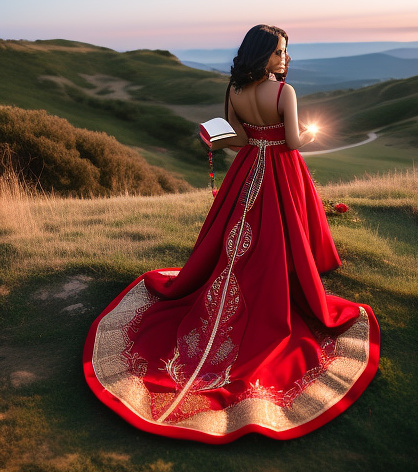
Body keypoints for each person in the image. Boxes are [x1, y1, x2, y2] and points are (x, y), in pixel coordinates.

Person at [83, 24, 380, 444]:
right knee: (283, 230)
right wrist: (310, 132)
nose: (285, 59)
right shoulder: (284, 93)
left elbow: (237, 137)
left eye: (286, 51)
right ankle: (288, 279)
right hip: (280, 168)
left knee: (236, 238)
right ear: (262, 55)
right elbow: (294, 142)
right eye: (279, 52)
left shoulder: (235, 90)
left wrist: (222, 137)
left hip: (246, 170)